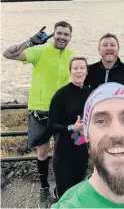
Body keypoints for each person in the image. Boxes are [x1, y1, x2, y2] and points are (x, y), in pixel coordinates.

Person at [3, 21, 74, 208]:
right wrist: (30, 42)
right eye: (59, 33)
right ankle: (43, 187)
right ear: (54, 34)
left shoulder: (72, 57)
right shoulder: (39, 52)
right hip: (40, 110)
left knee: (62, 152)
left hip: (62, 112)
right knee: (42, 151)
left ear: (70, 37)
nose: (62, 37)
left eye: (66, 34)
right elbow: (8, 54)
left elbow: (82, 76)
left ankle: (61, 189)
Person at [47, 57, 90, 199]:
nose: (79, 71)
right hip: (64, 151)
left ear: (86, 71)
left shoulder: (90, 93)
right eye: (75, 68)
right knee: (65, 193)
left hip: (82, 150)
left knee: (78, 190)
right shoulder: (61, 95)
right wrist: (72, 127)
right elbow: (51, 125)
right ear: (70, 71)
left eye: (82, 68)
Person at [85, 33, 124, 120]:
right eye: (105, 45)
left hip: (120, 122)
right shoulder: (89, 70)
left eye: (112, 45)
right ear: (99, 50)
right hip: (96, 120)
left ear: (118, 49)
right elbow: (79, 94)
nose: (109, 48)